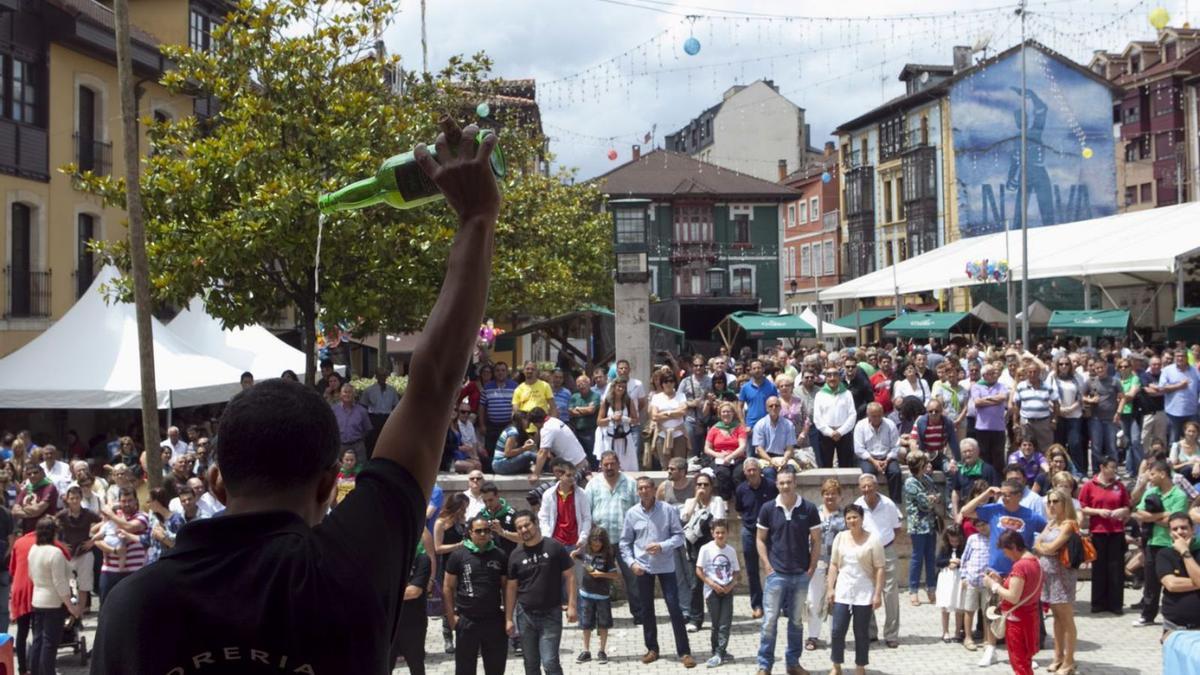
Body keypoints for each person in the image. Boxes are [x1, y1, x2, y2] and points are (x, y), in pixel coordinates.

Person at [92, 119, 500, 672]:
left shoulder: (131, 607)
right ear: (331, 483)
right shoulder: (352, 564)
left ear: (216, 479)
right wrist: (476, 219)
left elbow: (429, 389)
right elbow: (431, 387)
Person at [619, 476, 696, 668]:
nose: (644, 491)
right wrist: (631, 563)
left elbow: (679, 536)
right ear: (637, 492)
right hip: (642, 567)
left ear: (654, 489)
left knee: (674, 608)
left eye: (647, 487)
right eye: (640, 488)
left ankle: (684, 652)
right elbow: (624, 543)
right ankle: (652, 649)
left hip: (666, 566)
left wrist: (662, 546)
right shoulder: (631, 513)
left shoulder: (668, 510)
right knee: (647, 610)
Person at [755, 468, 821, 675]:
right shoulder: (767, 508)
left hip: (800, 574)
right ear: (777, 484)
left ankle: (793, 664)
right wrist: (767, 565)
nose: (785, 486)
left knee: (796, 622)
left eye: (789, 482)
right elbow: (760, 539)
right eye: (782, 482)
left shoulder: (809, 509)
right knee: (769, 622)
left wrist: (811, 567)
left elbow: (817, 541)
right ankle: (764, 666)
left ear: (795, 483)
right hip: (777, 575)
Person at [505, 510, 576, 675]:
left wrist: (572, 605)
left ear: (535, 523)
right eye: (519, 528)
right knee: (530, 664)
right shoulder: (515, 555)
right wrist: (509, 618)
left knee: (550, 662)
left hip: (551, 613)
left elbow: (570, 576)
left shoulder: (554, 547)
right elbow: (511, 588)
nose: (523, 530)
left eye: (527, 525)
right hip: (525, 615)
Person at [444, 514, 508, 675]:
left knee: (496, 668)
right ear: (470, 533)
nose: (482, 534)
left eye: (486, 531)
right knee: (465, 669)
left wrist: (508, 617)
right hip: (467, 619)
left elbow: (507, 587)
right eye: (478, 531)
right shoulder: (458, 555)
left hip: (494, 619)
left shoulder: (499, 554)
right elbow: (448, 587)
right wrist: (451, 617)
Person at [825, 504, 885, 675]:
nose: (852, 520)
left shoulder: (873, 539)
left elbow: (880, 568)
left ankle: (860, 666)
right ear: (845, 520)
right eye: (849, 517)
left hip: (864, 590)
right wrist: (830, 588)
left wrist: (877, 594)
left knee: (861, 632)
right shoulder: (840, 537)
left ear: (862, 518)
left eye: (855, 517)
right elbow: (834, 564)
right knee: (837, 630)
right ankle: (836, 665)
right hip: (843, 589)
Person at [584, 450, 641, 622]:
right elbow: (586, 512)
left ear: (618, 464)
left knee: (632, 577)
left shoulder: (630, 483)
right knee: (596, 577)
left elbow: (637, 511)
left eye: (612, 464)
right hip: (599, 543)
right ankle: (596, 616)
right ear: (600, 465)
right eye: (605, 464)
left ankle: (639, 614)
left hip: (625, 541)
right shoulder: (593, 484)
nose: (609, 467)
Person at [1132, 460, 1189, 627]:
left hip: (1172, 544)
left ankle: (1175, 615)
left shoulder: (1179, 495)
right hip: (1153, 542)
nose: (1150, 478)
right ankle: (1147, 615)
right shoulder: (1151, 492)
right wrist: (1162, 515)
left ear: (1163, 474)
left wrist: (1152, 517)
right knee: (1151, 581)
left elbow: (1175, 522)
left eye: (1153, 474)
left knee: (1173, 580)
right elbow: (1140, 513)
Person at [1030, 487, 1079, 674]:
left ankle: (1069, 660)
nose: (1051, 505)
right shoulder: (1050, 523)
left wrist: (1044, 548)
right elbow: (1038, 545)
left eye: (1055, 501)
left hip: (1062, 574)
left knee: (1066, 618)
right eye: (1049, 501)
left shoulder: (1068, 524)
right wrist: (1044, 548)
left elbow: (1051, 547)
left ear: (1064, 503)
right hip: (1048, 574)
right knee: (1056, 617)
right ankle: (1058, 656)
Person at [984, 530, 1045, 675]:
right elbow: (1023, 589)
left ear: (1013, 546)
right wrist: (1002, 581)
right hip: (1030, 618)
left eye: (1006, 551)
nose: (1006, 555)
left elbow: (1013, 597)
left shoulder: (1020, 566)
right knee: (1025, 661)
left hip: (1018, 621)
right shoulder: (1035, 561)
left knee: (1019, 663)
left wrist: (993, 585)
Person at [28, 517, 83, 675]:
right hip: (53, 603)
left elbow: (31, 575)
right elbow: (60, 584)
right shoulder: (55, 553)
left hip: (37, 599)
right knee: (50, 643)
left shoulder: (34, 549)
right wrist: (71, 606)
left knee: (38, 640)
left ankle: (35, 672)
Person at [854, 473, 902, 648]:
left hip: (886, 549)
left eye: (870, 486)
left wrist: (884, 544)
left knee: (890, 593)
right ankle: (870, 632)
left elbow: (897, 529)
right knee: (867, 591)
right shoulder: (857, 505)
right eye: (863, 487)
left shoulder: (888, 504)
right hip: (866, 551)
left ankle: (891, 634)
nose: (867, 489)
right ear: (860, 488)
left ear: (876, 486)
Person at [1078, 456, 1132, 614]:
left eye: (1115, 468)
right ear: (1102, 467)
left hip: (1116, 532)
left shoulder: (1120, 486)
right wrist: (1098, 512)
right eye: (1111, 467)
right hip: (1098, 531)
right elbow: (1083, 507)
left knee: (1116, 568)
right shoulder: (1089, 486)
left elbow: (1127, 507)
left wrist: (1122, 511)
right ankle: (1098, 603)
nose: (1114, 471)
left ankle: (1115, 604)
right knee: (1099, 568)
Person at [680, 469, 726, 634]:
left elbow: (718, 522)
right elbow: (685, 518)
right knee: (695, 585)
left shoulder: (717, 501)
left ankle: (719, 618)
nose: (702, 488)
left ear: (711, 487)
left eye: (705, 485)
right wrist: (695, 501)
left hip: (712, 547)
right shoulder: (689, 502)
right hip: (694, 549)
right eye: (699, 485)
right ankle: (695, 619)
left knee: (717, 582)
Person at [806, 477, 847, 652]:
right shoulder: (814, 513)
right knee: (814, 601)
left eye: (834, 494)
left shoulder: (845, 516)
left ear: (840, 496)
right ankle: (813, 636)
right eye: (827, 494)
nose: (830, 497)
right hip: (817, 563)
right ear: (822, 495)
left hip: (838, 565)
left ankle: (835, 638)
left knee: (834, 602)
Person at [734, 458, 777, 621]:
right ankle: (757, 606)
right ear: (745, 473)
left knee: (775, 568)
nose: (751, 473)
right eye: (748, 470)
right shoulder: (741, 489)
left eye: (754, 469)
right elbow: (739, 509)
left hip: (770, 532)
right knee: (752, 571)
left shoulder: (772, 486)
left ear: (760, 470)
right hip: (749, 531)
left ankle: (779, 604)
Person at [695, 519, 740, 668]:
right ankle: (716, 650)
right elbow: (699, 570)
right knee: (716, 623)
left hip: (727, 591)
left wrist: (731, 585)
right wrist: (712, 584)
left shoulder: (731, 551)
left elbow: (736, 572)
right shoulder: (706, 549)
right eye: (717, 533)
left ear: (728, 533)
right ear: (712, 533)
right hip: (711, 592)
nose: (720, 535)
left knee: (725, 623)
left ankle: (720, 652)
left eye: (723, 533)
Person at [903, 451, 940, 606]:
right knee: (917, 558)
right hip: (918, 525)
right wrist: (931, 499)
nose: (928, 466)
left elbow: (936, 495)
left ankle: (931, 588)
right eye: (925, 463)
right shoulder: (910, 483)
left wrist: (932, 499)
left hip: (930, 524)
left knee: (931, 557)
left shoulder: (927, 479)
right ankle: (913, 590)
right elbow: (924, 504)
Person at [576, 526, 618, 665]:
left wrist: (601, 574)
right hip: (585, 594)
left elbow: (615, 575)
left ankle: (602, 650)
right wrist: (575, 553)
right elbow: (576, 555)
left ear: (603, 542)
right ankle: (586, 651)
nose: (596, 546)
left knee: (603, 624)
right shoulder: (586, 550)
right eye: (594, 543)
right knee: (586, 624)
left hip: (602, 596)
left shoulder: (607, 555)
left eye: (599, 543)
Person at [1157, 512, 1200, 638]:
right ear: (1170, 533)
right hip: (1174, 626)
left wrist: (1184, 551)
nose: (1180, 532)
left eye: (1184, 528)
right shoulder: (1164, 554)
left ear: (1193, 529)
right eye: (1175, 529)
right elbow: (1171, 584)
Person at [393, 543, 433, 674]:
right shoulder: (383, 560)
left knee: (416, 665)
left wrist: (383, 593)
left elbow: (414, 592)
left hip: (413, 623)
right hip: (387, 625)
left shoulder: (422, 559)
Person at [854, 402, 902, 503]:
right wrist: (874, 461)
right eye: (873, 416)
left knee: (895, 473)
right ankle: (869, 501)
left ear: (883, 414)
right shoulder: (860, 426)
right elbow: (859, 449)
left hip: (887, 456)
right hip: (868, 458)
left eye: (879, 416)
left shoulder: (890, 424)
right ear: (868, 415)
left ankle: (895, 504)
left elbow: (896, 446)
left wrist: (887, 460)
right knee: (868, 475)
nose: (876, 419)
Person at [528, 408, 590, 482]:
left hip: (575, 469)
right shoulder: (555, 421)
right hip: (583, 462)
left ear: (536, 423)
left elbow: (542, 452)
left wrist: (535, 474)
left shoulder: (547, 429)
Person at [958, 517, 991, 653]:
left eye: (983, 524)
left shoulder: (994, 538)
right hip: (972, 580)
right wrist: (964, 576)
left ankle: (987, 639)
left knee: (987, 612)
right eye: (978, 526)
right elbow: (964, 558)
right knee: (969, 610)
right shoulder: (972, 539)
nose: (981, 528)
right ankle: (968, 637)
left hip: (987, 582)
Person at [813, 366, 857, 469]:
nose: (832, 378)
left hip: (844, 433)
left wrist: (840, 431)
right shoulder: (820, 395)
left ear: (839, 377)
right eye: (829, 375)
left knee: (845, 465)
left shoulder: (847, 394)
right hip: (826, 434)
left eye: (835, 375)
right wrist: (830, 432)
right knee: (825, 465)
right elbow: (817, 417)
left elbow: (852, 415)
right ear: (826, 378)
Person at [971, 364, 1011, 474]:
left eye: (994, 373)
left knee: (998, 456)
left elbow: (1003, 397)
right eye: (991, 373)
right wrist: (995, 400)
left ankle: (998, 479)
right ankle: (985, 478)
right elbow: (977, 402)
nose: (994, 375)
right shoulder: (976, 386)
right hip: (982, 428)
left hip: (998, 428)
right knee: (984, 455)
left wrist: (986, 399)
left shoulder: (1001, 386)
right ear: (984, 375)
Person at [1013, 363, 1058, 454]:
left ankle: (1045, 467)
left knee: (1046, 448)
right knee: (1027, 447)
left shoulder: (1047, 386)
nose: (1032, 374)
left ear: (1039, 373)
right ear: (1026, 373)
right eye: (1030, 372)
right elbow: (1016, 405)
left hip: (1043, 423)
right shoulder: (1021, 386)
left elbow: (1056, 404)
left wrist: (1054, 420)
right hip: (1026, 423)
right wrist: (1015, 422)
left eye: (1035, 372)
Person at [707, 402, 750, 499]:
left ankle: (740, 501)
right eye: (724, 412)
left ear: (733, 413)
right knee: (723, 473)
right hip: (720, 459)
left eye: (729, 412)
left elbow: (742, 446)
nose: (726, 414)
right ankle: (725, 500)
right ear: (720, 414)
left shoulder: (739, 428)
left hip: (737, 458)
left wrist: (730, 456)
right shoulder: (714, 429)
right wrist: (718, 455)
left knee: (738, 475)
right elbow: (707, 449)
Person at [751, 397, 798, 484]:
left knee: (789, 471)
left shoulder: (788, 424)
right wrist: (771, 461)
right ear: (766, 408)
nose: (774, 408)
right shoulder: (760, 425)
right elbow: (759, 449)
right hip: (766, 458)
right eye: (771, 406)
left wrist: (785, 459)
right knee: (768, 472)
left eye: (776, 406)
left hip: (784, 457)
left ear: (780, 407)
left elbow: (790, 448)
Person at [597, 377, 639, 472]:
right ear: (614, 387)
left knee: (628, 466)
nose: (621, 389)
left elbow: (636, 420)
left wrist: (624, 419)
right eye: (619, 386)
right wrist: (611, 418)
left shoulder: (628, 401)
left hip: (625, 438)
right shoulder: (606, 401)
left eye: (624, 387)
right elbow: (599, 421)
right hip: (611, 438)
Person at [650, 372, 689, 470]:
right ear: (662, 383)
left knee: (679, 464)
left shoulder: (681, 395)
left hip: (678, 433)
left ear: (674, 383)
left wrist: (666, 413)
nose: (668, 384)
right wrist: (674, 413)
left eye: (671, 381)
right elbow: (654, 416)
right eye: (666, 381)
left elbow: (683, 411)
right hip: (662, 434)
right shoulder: (656, 397)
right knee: (665, 466)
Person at [1159, 349, 1200, 444]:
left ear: (1187, 358)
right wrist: (1179, 386)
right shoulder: (1167, 370)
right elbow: (1161, 388)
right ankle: (1173, 458)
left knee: (1194, 439)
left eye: (1182, 356)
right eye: (1177, 356)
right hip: (1174, 413)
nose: (1180, 358)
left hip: (1192, 411)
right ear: (1174, 358)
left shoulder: (1194, 370)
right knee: (1174, 441)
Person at [935, 523, 966, 643]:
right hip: (946, 577)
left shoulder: (963, 548)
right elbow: (938, 561)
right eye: (952, 540)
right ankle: (945, 631)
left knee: (959, 605)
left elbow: (967, 560)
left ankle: (958, 632)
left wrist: (959, 562)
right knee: (945, 606)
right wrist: (949, 561)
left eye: (956, 541)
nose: (954, 543)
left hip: (959, 577)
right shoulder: (944, 548)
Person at [361, 366, 400, 456]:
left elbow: (396, 407)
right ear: (376, 376)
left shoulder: (392, 390)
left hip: (387, 419)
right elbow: (363, 407)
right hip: (374, 419)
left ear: (386, 376)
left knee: (388, 441)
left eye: (384, 375)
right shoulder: (369, 390)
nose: (382, 377)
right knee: (372, 442)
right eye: (380, 375)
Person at [568, 375, 601, 466]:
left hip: (590, 431)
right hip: (577, 431)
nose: (581, 385)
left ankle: (594, 471)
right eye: (578, 384)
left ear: (589, 383)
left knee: (592, 454)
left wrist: (577, 408)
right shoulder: (574, 396)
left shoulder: (595, 396)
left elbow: (591, 410)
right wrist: (585, 410)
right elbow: (571, 412)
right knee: (579, 455)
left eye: (583, 383)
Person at [493, 411, 538, 476]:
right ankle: (548, 466)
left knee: (529, 457)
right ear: (522, 420)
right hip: (500, 464)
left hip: (504, 463)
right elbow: (507, 453)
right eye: (528, 420)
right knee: (528, 455)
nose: (529, 423)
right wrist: (524, 448)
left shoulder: (516, 431)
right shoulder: (513, 432)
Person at [740, 359, 780, 431]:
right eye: (754, 368)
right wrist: (743, 425)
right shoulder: (745, 387)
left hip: (769, 424)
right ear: (751, 371)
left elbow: (777, 406)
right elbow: (739, 407)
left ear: (763, 369)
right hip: (751, 426)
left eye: (759, 368)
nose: (757, 370)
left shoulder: (771, 386)